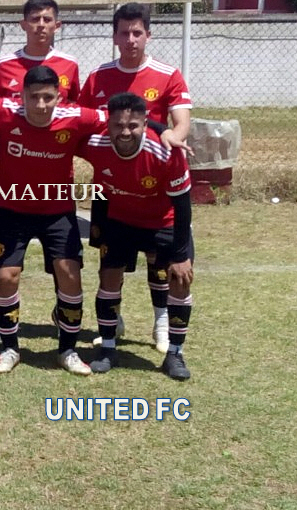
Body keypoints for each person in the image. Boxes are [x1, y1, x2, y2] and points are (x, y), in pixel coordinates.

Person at [0, 65, 106, 376]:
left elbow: (118, 119)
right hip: (12, 209)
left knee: (69, 273)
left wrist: (163, 131)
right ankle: (10, 348)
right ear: (22, 96)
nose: (41, 105)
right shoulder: (4, 110)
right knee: (7, 277)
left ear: (59, 96)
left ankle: (67, 350)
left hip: (58, 212)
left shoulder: (76, 116)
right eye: (34, 97)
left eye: (48, 97)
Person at [78, 2, 192, 353]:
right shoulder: (98, 77)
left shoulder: (167, 75)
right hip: (109, 187)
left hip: (153, 184)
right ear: (114, 36)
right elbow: (86, 123)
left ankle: (161, 320)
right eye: (124, 33)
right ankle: (113, 320)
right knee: (109, 260)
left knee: (159, 261)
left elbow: (181, 123)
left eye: (137, 33)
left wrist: (170, 136)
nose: (131, 40)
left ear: (148, 35)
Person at [77, 92, 195, 380]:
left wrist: (181, 256)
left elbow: (183, 205)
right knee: (108, 278)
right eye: (118, 125)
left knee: (180, 279)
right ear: (108, 124)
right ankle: (107, 348)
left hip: (163, 222)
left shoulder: (166, 151)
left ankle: (175, 354)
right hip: (120, 220)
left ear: (145, 123)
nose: (125, 132)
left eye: (133, 125)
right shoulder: (96, 144)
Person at [0, 0, 79, 102]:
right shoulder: (3, 66)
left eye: (47, 20)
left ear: (57, 26)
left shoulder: (70, 64)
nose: (41, 25)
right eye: (35, 19)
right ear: (23, 25)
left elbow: (74, 103)